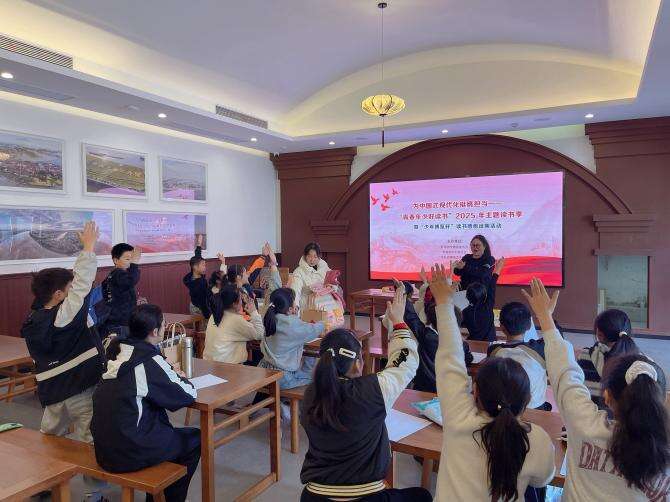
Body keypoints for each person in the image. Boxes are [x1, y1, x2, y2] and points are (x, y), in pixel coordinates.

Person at [523, 278, 670, 501]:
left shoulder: (583, 424)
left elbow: (565, 374)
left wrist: (545, 318)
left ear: (607, 396)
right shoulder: (663, 452)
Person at [430, 264, 555, 502]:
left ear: (475, 390)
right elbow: (543, 479)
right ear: (527, 400)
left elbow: (450, 358)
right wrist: (546, 318)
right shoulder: (536, 439)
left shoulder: (457, 419)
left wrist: (444, 304)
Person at [299, 288, 432, 502]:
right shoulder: (372, 390)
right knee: (422, 496)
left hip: (314, 496)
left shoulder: (310, 395)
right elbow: (405, 362)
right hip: (366, 497)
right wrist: (398, 322)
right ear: (357, 364)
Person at [91, 304, 199, 502]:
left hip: (104, 450)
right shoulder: (148, 361)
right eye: (163, 324)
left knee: (163, 431)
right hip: (131, 452)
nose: (165, 327)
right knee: (194, 439)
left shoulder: (117, 352)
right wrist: (179, 376)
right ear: (155, 332)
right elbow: (187, 394)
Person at [21, 221, 105, 444]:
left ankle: (49, 468)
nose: (73, 292)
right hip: (79, 387)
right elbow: (82, 285)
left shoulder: (34, 318)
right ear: (58, 294)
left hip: (52, 391)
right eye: (69, 289)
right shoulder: (63, 316)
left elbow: (78, 287)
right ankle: (89, 470)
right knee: (89, 440)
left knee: (50, 439)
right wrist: (88, 248)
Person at [398, 278, 473, 393]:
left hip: (424, 387)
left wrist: (403, 293)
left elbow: (411, 317)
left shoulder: (427, 336)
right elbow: (469, 359)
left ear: (432, 322)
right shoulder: (461, 344)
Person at [488, 301, 558, 410]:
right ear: (529, 325)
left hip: (504, 409)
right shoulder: (540, 349)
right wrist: (547, 315)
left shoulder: (493, 350)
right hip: (535, 409)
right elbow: (557, 338)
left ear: (502, 327)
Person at [258, 288, 324, 390]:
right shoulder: (292, 324)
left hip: (264, 370)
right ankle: (286, 401)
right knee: (314, 378)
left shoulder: (270, 318)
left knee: (306, 363)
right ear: (289, 310)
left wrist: (293, 316)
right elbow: (313, 330)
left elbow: (291, 327)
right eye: (294, 303)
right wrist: (323, 323)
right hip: (282, 377)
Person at [577, 308, 640, 407]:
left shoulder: (585, 355)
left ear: (599, 334)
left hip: (587, 413)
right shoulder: (640, 363)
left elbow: (576, 388)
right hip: (622, 416)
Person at [203, 284, 264, 364]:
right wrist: (253, 312)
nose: (242, 302)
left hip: (209, 364)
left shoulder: (214, 315)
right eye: (241, 299)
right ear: (234, 304)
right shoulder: (235, 320)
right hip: (227, 367)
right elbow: (259, 334)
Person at [98, 242, 141, 337]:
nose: (130, 262)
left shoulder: (113, 275)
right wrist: (135, 263)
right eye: (127, 259)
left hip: (114, 321)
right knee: (122, 345)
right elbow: (131, 280)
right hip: (119, 324)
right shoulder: (118, 273)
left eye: (132, 259)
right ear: (116, 260)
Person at [461, 257, 504, 341]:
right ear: (485, 296)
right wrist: (498, 269)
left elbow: (491, 289)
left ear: (467, 297)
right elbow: (492, 287)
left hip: (472, 343)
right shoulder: (487, 307)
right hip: (489, 343)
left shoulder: (465, 312)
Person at [182, 235, 226, 318]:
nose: (205, 267)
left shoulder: (192, 275)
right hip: (199, 309)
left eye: (205, 265)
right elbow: (203, 303)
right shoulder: (200, 284)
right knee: (202, 325)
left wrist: (199, 244)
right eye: (203, 265)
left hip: (194, 305)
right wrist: (207, 316)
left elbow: (197, 256)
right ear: (195, 267)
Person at [291, 242, 333, 311]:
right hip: (308, 301)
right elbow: (295, 289)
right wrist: (295, 305)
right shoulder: (299, 271)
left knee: (334, 300)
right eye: (309, 256)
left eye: (315, 257)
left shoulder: (324, 267)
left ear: (319, 257)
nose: (312, 260)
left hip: (324, 298)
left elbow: (332, 280)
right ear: (305, 256)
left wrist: (330, 286)